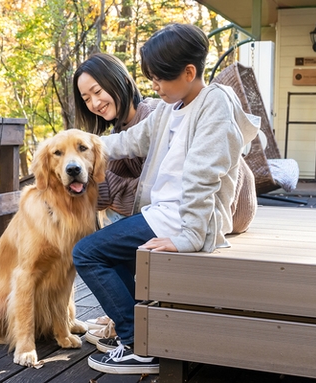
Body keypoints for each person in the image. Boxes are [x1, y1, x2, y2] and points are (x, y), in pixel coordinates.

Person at [72, 23, 260, 375]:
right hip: (164, 214)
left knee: (86, 253)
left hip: (186, 220)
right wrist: (80, 147)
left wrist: (188, 237)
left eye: (159, 79)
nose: (154, 86)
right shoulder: (169, 108)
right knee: (115, 252)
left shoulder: (214, 104)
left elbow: (205, 174)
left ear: (189, 72)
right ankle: (143, 333)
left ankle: (138, 345)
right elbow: (128, 142)